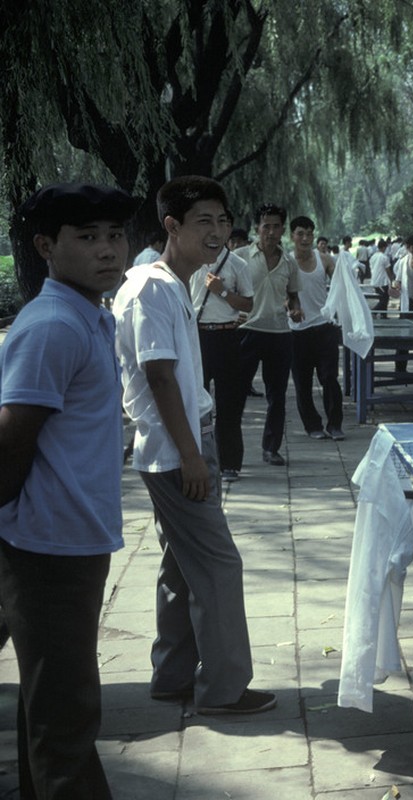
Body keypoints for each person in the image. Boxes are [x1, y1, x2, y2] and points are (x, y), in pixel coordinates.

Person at [113, 175, 275, 717]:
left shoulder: (169, 283)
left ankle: (172, 674)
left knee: (181, 565)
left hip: (178, 442)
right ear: (172, 226)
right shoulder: (154, 286)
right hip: (174, 448)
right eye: (203, 221)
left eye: (223, 220)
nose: (217, 232)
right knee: (219, 566)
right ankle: (224, 690)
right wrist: (189, 456)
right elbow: (158, 376)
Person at [0, 182, 138, 798]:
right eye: (87, 238)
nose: (107, 250)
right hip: (49, 545)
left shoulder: (90, 315)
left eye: (114, 235)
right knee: (66, 716)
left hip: (73, 537)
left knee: (51, 705)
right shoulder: (55, 324)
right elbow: (11, 440)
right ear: (47, 246)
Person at [234, 204, 304, 466]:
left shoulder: (289, 262)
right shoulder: (239, 257)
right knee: (236, 394)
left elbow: (293, 296)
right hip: (246, 332)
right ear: (257, 229)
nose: (271, 232)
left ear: (282, 230)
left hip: (279, 334)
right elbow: (226, 291)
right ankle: (230, 455)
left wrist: (295, 310)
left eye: (276, 227)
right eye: (266, 226)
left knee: (277, 396)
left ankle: (271, 448)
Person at [189, 219, 254, 480]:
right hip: (198, 337)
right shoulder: (191, 262)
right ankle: (197, 459)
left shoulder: (238, 265)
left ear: (228, 231)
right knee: (195, 403)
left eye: (223, 225)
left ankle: (229, 463)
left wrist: (222, 292)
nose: (215, 232)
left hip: (227, 336)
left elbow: (248, 304)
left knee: (229, 405)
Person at [288, 216, 345, 441]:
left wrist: (340, 308)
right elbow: (282, 291)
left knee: (329, 378)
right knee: (302, 383)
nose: (305, 238)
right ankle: (312, 425)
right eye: (300, 233)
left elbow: (343, 285)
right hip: (297, 331)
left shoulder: (325, 260)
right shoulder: (286, 262)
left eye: (309, 234)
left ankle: (335, 424)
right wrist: (291, 307)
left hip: (324, 328)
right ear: (292, 236)